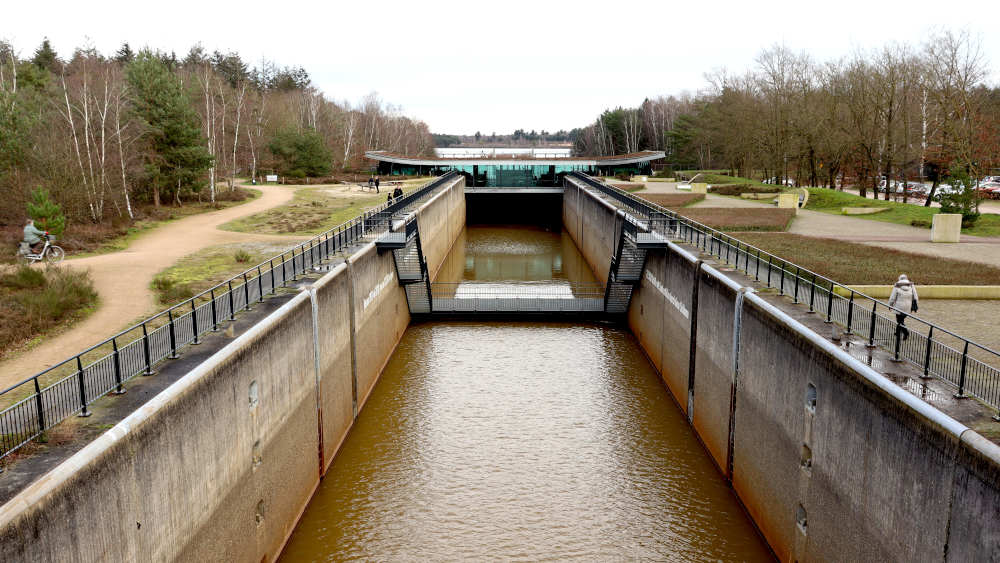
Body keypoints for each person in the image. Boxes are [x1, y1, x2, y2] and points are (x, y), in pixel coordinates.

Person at [888, 274, 918, 340]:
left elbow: (892, 297)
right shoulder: (911, 285)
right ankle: (897, 332)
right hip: (908, 306)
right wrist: (915, 305)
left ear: (899, 279)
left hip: (899, 306)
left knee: (899, 320)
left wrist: (890, 305)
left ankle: (905, 332)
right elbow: (915, 296)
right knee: (901, 319)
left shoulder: (897, 285)